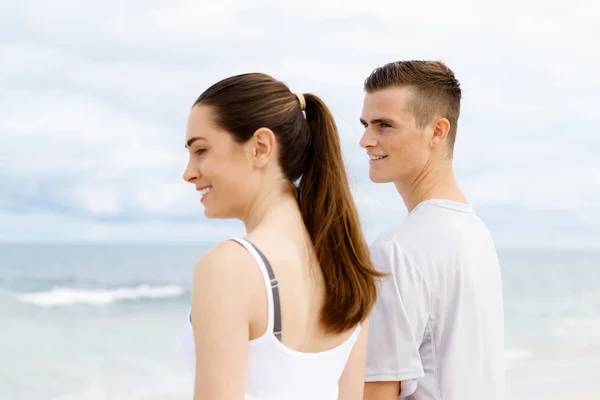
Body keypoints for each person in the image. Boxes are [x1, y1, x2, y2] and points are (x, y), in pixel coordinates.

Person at [180, 72, 383, 400]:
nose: (188, 172)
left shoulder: (228, 267)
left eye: (200, 150)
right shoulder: (348, 266)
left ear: (261, 148)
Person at [359, 61, 505, 400]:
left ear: (437, 132)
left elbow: (378, 393)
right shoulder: (476, 233)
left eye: (384, 125)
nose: (365, 140)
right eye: (366, 124)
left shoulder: (395, 250)